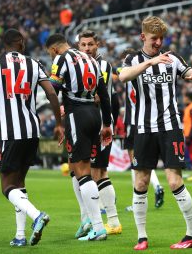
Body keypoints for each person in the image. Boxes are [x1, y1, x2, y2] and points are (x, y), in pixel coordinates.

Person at [0, 29, 64, 247]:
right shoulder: (34, 63)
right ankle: (20, 235)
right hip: (32, 131)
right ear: (20, 43)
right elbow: (51, 93)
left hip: (11, 132)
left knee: (6, 186)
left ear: (5, 45)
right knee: (19, 183)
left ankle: (38, 215)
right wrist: (59, 125)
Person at [119, 16, 192, 250]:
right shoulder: (133, 59)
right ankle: (142, 236)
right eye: (154, 38)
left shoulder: (172, 58)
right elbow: (124, 76)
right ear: (143, 36)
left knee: (174, 179)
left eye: (161, 39)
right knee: (142, 180)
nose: (158, 42)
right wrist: (150, 62)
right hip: (143, 129)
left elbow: (188, 71)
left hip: (170, 128)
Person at [46, 33, 113, 242]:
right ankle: (87, 220)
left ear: (54, 50)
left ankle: (97, 226)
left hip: (77, 115)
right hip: (94, 115)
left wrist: (58, 121)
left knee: (83, 171)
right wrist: (108, 123)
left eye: (50, 54)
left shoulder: (61, 58)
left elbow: (52, 90)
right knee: (75, 167)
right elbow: (104, 93)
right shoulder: (91, 59)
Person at [72, 30, 122, 237]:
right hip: (83, 125)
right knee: (78, 169)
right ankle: (87, 218)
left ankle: (113, 221)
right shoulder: (78, 65)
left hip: (100, 125)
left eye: (90, 44)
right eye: (83, 45)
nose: (86, 48)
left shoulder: (103, 66)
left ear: (97, 45)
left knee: (99, 171)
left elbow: (100, 97)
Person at [119, 48, 165, 213]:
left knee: (137, 163)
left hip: (134, 122)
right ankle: (157, 185)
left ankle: (137, 199)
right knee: (143, 163)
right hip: (143, 122)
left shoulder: (132, 77)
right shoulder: (144, 77)